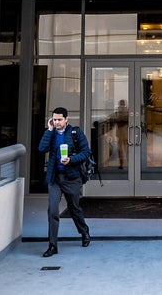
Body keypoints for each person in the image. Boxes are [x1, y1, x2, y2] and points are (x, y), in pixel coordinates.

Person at [37, 106, 91, 257]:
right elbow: (41, 149)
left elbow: (86, 152)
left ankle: (84, 231)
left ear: (66, 119)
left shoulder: (75, 132)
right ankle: (52, 245)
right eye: (54, 119)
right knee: (52, 210)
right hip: (55, 178)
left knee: (74, 208)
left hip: (72, 178)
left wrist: (71, 159)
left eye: (60, 119)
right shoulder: (51, 133)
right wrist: (49, 130)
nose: (57, 122)